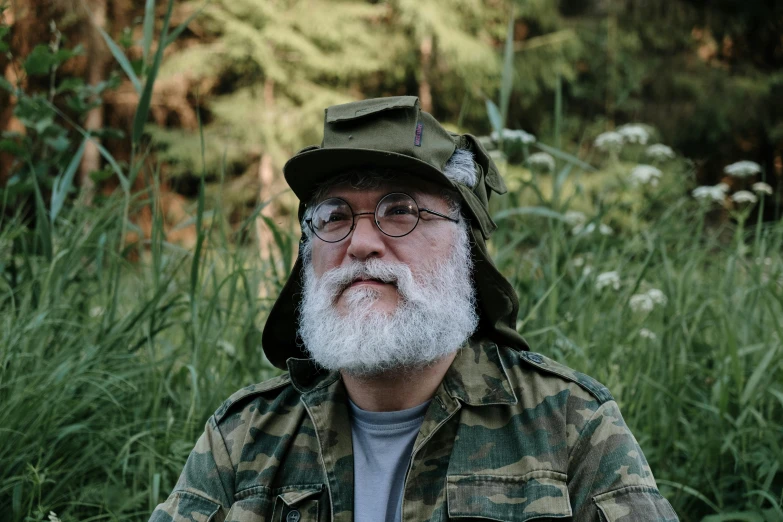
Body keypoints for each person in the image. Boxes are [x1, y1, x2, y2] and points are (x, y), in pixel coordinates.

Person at [150, 96, 679, 522]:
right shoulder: (243, 438)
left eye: (399, 210)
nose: (359, 244)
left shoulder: (571, 425)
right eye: (334, 217)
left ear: (465, 254)